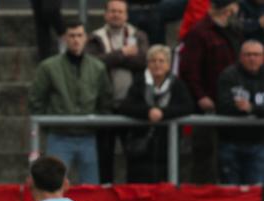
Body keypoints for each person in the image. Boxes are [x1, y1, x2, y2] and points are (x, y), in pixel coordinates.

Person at [29, 20, 113, 184]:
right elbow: (36, 100)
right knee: (52, 184)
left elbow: (106, 100)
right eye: (72, 36)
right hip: (59, 136)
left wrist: (96, 123)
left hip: (88, 136)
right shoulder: (48, 67)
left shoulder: (98, 67)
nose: (76, 40)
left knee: (91, 187)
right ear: (65, 39)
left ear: (86, 38)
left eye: (79, 35)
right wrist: (50, 123)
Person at [179, 0, 242, 183]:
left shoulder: (233, 31)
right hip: (208, 108)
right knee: (204, 158)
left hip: (231, 104)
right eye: (231, 8)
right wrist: (200, 96)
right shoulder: (199, 33)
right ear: (226, 10)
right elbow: (189, 70)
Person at [87, 0, 150, 183]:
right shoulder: (95, 37)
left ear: (126, 15)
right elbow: (94, 63)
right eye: (112, 11)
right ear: (105, 14)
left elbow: (143, 62)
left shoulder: (138, 35)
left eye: (120, 11)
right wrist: (122, 54)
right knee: (105, 156)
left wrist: (111, 58)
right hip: (104, 106)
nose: (116, 15)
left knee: (134, 156)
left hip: (130, 105)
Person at [117, 45, 194, 182]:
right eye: (153, 61)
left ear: (168, 65)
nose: (157, 64)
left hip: (167, 150)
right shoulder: (139, 82)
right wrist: (147, 112)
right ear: (148, 64)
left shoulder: (177, 84)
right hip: (140, 151)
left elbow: (187, 106)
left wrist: (163, 113)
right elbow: (126, 106)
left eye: (161, 61)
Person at [215, 39, 264, 183]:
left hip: (259, 143)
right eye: (248, 54)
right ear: (241, 56)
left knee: (256, 192)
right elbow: (223, 105)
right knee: (231, 192)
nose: (252, 58)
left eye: (256, 55)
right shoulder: (228, 75)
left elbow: (243, 106)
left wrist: (251, 108)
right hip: (230, 142)